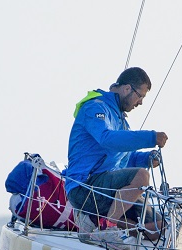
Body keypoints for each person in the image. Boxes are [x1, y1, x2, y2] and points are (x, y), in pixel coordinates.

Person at [64, 67, 168, 239]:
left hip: (107, 188)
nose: (140, 102)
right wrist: (150, 137)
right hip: (84, 188)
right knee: (141, 177)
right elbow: (106, 139)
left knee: (160, 227)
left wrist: (147, 158)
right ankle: (105, 227)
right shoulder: (95, 108)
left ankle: (93, 224)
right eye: (140, 96)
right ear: (127, 89)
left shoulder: (121, 120)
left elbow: (125, 159)